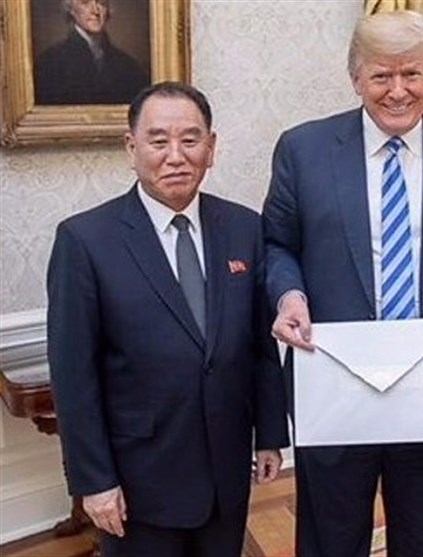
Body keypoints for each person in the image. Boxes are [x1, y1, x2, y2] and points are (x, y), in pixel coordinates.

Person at [262, 10, 423, 557]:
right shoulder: (303, 151)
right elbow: (277, 245)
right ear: (356, 77)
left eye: (411, 74)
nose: (398, 91)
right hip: (332, 384)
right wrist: (289, 296)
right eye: (382, 75)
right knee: (330, 543)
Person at [47, 81, 289, 557]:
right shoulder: (86, 240)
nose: (176, 156)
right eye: (158, 141)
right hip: (139, 483)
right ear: (131, 147)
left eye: (190, 140)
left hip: (226, 473)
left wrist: (270, 436)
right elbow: (74, 377)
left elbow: (260, 347)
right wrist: (94, 482)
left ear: (211, 148)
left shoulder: (244, 228)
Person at [34, 0, 149, 105]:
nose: (95, 11)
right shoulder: (50, 62)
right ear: (71, 10)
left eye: (101, 3)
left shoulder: (128, 66)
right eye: (85, 3)